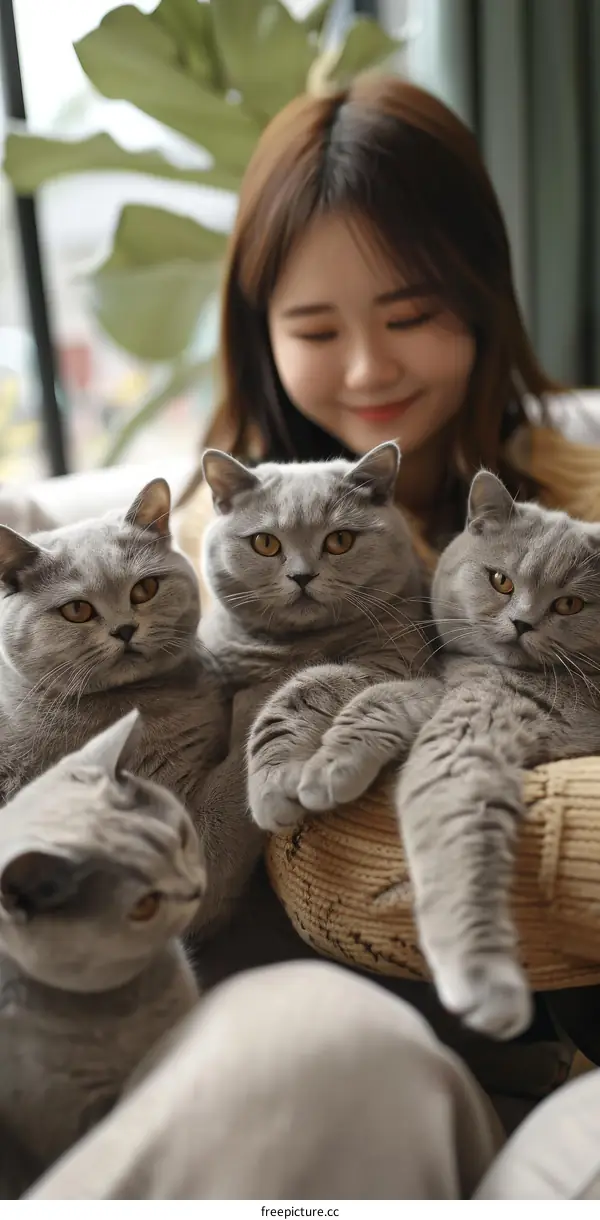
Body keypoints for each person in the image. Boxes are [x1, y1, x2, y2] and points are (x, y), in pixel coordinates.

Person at [35, 74, 600, 1198]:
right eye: (313, 326)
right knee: (308, 1050)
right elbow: (282, 841)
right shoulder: (189, 562)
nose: (366, 369)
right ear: (257, 329)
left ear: (484, 297)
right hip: (357, 1025)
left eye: (411, 315)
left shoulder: (582, 497)